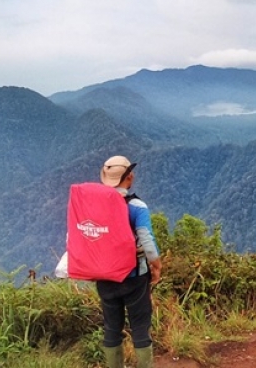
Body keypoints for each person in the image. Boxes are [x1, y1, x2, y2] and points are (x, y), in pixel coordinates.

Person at [97, 156, 162, 368]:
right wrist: (156, 266)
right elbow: (147, 240)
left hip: (104, 276)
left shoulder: (94, 205)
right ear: (130, 177)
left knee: (112, 328)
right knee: (141, 326)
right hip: (134, 276)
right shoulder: (136, 206)